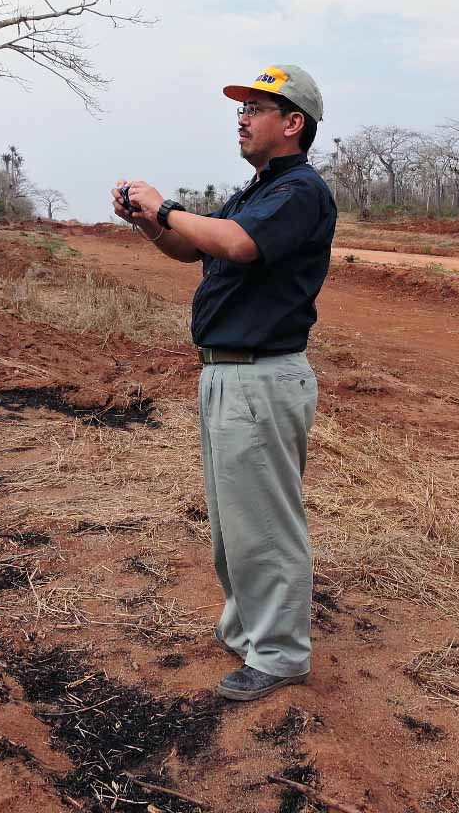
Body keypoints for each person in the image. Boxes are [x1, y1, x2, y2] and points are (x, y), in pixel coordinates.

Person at [111, 64, 336, 701]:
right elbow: (194, 248)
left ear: (292, 124)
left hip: (261, 378)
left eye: (257, 108)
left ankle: (280, 653)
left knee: (264, 524)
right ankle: (249, 630)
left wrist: (165, 204)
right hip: (228, 377)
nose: (241, 117)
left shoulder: (298, 193)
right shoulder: (259, 190)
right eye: (241, 108)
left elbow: (234, 245)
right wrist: (149, 222)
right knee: (235, 523)